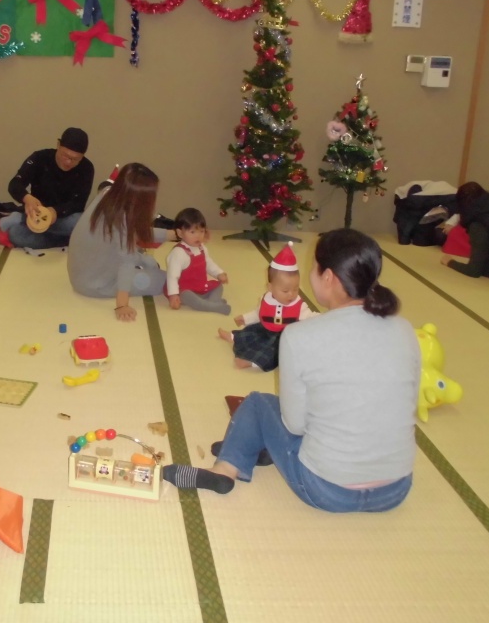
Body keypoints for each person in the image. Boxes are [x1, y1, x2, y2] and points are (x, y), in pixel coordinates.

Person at [163, 229, 420, 514]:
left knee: (259, 404)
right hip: (395, 489)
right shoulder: (404, 329)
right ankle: (260, 444)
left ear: (328, 277)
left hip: (326, 489)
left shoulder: (300, 335)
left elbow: (295, 424)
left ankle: (225, 470)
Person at [67, 163, 175, 322]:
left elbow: (134, 232)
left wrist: (172, 234)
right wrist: (122, 305)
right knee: (168, 281)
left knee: (148, 261)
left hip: (83, 274)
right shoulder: (121, 218)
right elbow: (126, 263)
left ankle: (143, 264)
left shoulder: (108, 193)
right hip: (97, 285)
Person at [217, 242, 315, 371]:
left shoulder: (298, 305)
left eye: (296, 289)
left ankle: (251, 363)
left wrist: (328, 317)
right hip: (265, 329)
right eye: (285, 291)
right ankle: (233, 337)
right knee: (251, 331)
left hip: (283, 337)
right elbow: (259, 313)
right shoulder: (266, 299)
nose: (291, 294)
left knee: (273, 352)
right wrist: (245, 318)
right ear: (270, 288)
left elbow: (311, 317)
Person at [0, 127, 95, 253]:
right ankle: (69, 239)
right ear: (58, 145)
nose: (68, 162)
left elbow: (78, 203)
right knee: (15, 234)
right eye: (65, 155)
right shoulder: (40, 158)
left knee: (80, 223)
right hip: (38, 213)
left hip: (64, 217)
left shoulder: (87, 168)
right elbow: (15, 184)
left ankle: (22, 218)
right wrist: (27, 198)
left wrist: (55, 212)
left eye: (75, 159)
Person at [165, 208, 230, 315]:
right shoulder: (178, 253)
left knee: (218, 286)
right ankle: (213, 306)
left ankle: (211, 303)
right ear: (180, 233)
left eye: (201, 231)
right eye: (192, 232)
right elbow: (172, 276)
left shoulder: (202, 248)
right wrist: (173, 295)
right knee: (187, 295)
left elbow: (208, 263)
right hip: (184, 290)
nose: (198, 236)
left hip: (200, 287)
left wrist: (219, 273)